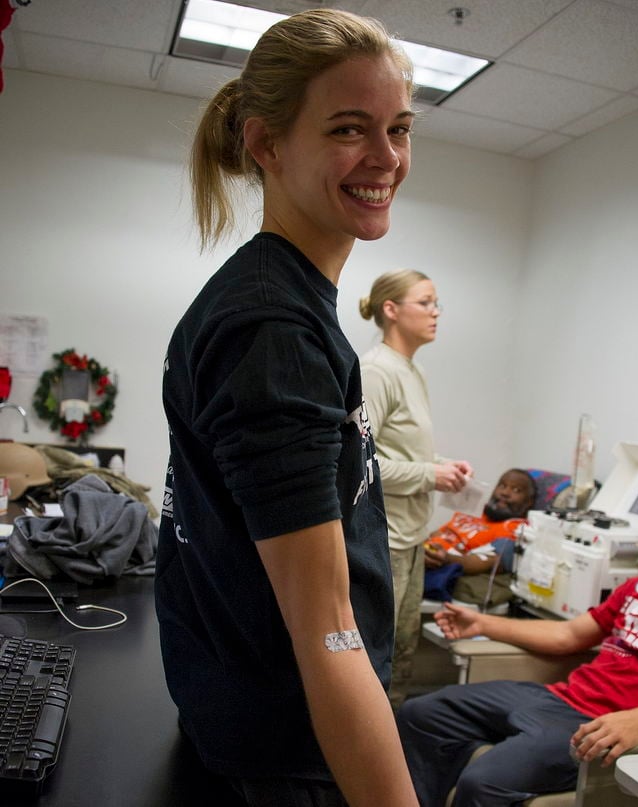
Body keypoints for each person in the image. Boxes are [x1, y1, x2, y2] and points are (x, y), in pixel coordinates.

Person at [154, 9, 420, 806]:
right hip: (292, 750)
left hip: (250, 719)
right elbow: (328, 630)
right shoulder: (275, 329)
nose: (387, 159)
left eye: (399, 128)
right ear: (268, 144)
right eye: (350, 129)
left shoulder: (276, 298)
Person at [397, 488, 638, 807]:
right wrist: (483, 625)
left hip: (597, 724)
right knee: (421, 714)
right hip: (558, 698)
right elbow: (567, 636)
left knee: (483, 783)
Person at [359, 269, 472, 708]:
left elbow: (401, 450)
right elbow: (359, 465)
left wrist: (444, 466)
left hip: (412, 538)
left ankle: (394, 744)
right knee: (377, 655)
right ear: (391, 310)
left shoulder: (412, 370)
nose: (435, 312)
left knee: (403, 652)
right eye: (425, 302)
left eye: (436, 302)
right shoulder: (375, 372)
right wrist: (431, 476)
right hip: (384, 540)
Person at [423, 468, 536, 607]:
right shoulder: (475, 512)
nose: (505, 493)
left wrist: (445, 558)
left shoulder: (515, 528)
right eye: (502, 485)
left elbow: (487, 561)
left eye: (516, 490)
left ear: (529, 502)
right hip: (423, 554)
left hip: (441, 567)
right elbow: (439, 533)